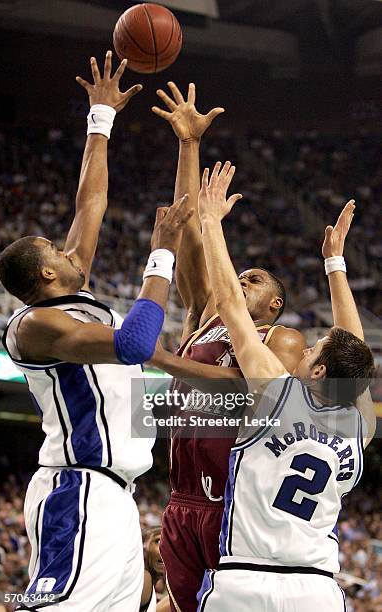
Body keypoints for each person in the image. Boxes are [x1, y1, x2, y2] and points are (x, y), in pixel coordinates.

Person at [0, 52, 192, 612]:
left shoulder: (70, 289)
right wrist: (162, 253)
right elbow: (134, 344)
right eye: (58, 250)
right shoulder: (37, 325)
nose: (70, 247)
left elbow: (91, 200)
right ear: (44, 274)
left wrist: (100, 117)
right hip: (78, 488)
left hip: (113, 495)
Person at [151, 83, 306, 611]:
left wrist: (161, 358)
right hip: (181, 500)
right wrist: (189, 146)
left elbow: (246, 393)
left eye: (255, 279)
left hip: (231, 505)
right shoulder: (204, 318)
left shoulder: (279, 342)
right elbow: (191, 235)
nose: (242, 279)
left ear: (274, 307)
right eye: (239, 273)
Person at [196, 162, 375, 611]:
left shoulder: (274, 393)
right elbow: (350, 348)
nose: (307, 348)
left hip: (244, 580)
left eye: (313, 348)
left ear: (317, 371)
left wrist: (211, 223)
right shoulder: (361, 426)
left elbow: (234, 310)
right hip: (316, 589)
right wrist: (334, 264)